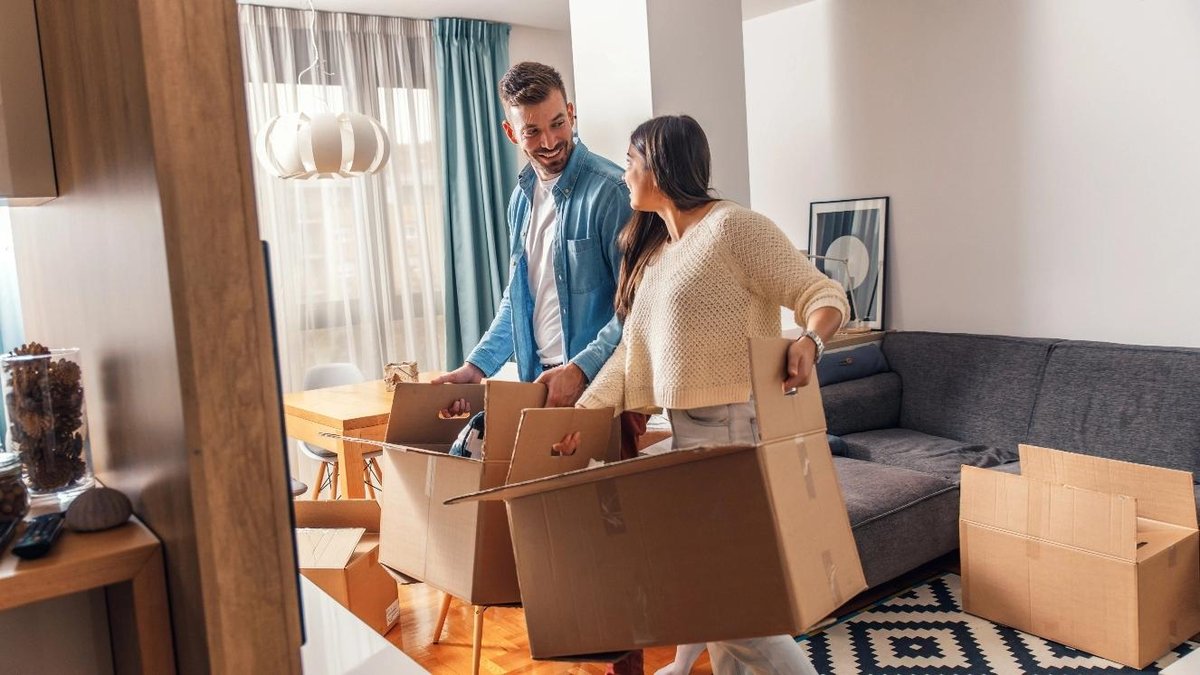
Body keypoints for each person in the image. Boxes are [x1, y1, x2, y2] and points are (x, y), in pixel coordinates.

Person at [577, 115, 848, 675]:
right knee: (717, 600)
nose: (624, 174)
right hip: (685, 440)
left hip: (733, 437)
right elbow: (628, 357)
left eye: (631, 161)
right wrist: (577, 418)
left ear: (659, 166)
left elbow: (821, 292)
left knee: (733, 615)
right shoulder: (657, 257)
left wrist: (811, 341)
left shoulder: (733, 229)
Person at [432, 62, 631, 410]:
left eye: (557, 124)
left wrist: (580, 371)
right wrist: (476, 366)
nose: (549, 142)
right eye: (532, 131)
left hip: (602, 390)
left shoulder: (611, 191)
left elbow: (636, 304)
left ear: (571, 114)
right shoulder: (521, 201)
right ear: (511, 133)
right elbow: (519, 298)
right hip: (539, 385)